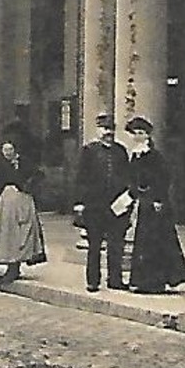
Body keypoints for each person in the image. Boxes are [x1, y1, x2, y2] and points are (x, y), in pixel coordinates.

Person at [125, 118, 185, 294]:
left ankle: (156, 281)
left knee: (157, 241)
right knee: (144, 241)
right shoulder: (136, 154)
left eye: (141, 133)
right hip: (143, 203)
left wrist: (158, 199)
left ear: (147, 135)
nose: (138, 136)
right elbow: (132, 178)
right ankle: (142, 280)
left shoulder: (154, 156)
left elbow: (163, 178)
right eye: (135, 133)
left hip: (155, 204)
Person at [0, 140, 47, 282]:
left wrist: (28, 186)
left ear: (15, 150)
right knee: (5, 232)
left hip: (23, 202)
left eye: (10, 149)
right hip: (5, 203)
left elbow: (39, 175)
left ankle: (15, 266)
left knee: (22, 234)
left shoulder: (25, 163)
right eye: (5, 150)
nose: (7, 153)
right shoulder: (0, 165)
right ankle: (8, 264)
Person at [76, 112, 131, 293]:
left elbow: (126, 176)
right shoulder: (89, 151)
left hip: (116, 205)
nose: (108, 132)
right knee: (94, 245)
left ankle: (115, 279)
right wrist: (80, 202)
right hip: (94, 205)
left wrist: (126, 200)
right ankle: (93, 280)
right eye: (105, 129)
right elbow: (81, 178)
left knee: (116, 244)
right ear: (98, 130)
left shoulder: (120, 151)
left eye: (111, 129)